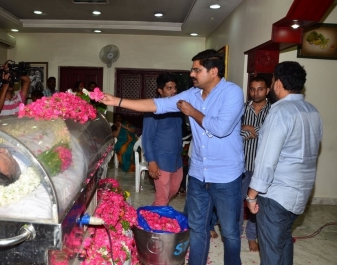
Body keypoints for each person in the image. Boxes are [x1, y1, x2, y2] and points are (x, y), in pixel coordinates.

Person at [101, 49, 245, 265]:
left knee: (230, 232)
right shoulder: (191, 94)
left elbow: (221, 128)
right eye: (192, 69)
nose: (192, 74)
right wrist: (117, 101)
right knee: (197, 227)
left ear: (213, 71)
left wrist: (192, 112)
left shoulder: (232, 93)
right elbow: (156, 105)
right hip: (198, 173)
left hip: (225, 175)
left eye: (197, 69)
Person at [247, 61, 322, 265]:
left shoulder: (280, 112)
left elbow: (267, 159)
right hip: (301, 192)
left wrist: (252, 194)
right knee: (283, 240)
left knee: (271, 250)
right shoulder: (312, 111)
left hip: (277, 195)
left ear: (277, 83)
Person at [142, 73, 183, 206]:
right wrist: (151, 161)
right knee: (162, 198)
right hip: (161, 159)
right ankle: (158, 224)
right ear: (160, 90)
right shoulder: (153, 109)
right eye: (169, 88)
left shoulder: (178, 107)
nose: (174, 91)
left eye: (175, 87)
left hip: (177, 159)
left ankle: (154, 212)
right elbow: (147, 138)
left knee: (174, 189)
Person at [240, 76, 271, 251]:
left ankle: (252, 236)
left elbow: (271, 134)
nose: (255, 92)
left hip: (262, 168)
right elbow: (231, 131)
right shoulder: (241, 109)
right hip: (241, 165)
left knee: (256, 205)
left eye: (260, 89)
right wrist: (244, 129)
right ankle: (235, 234)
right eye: (252, 89)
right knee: (237, 202)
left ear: (267, 90)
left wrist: (250, 129)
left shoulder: (274, 111)